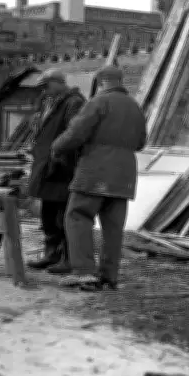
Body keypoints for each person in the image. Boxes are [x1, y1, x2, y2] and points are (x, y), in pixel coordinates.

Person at [51, 65, 146, 291]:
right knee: (113, 227)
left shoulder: (98, 103)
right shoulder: (135, 107)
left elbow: (76, 133)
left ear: (100, 82)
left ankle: (84, 272)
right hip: (124, 175)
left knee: (77, 216)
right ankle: (109, 276)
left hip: (95, 170)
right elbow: (141, 143)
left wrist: (56, 147)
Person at [25, 69, 86, 274]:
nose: (44, 91)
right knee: (48, 214)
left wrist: (59, 155)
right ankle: (52, 254)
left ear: (59, 82)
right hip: (46, 166)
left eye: (46, 86)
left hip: (62, 168)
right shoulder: (48, 102)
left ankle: (67, 257)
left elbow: (74, 134)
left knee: (63, 215)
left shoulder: (73, 102)